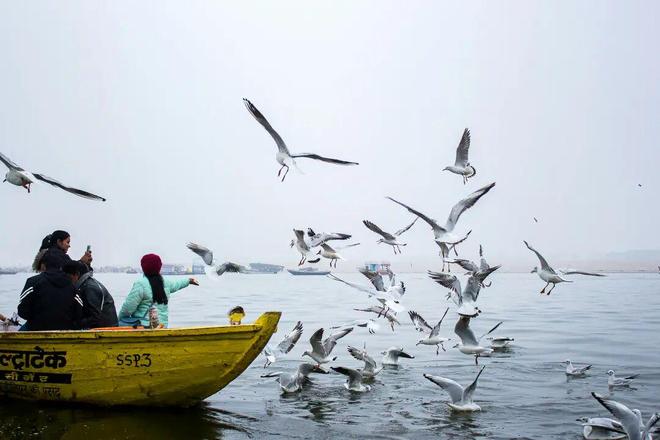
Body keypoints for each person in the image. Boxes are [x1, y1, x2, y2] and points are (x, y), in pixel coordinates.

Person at [118, 254, 199, 328]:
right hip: (162, 326)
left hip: (143, 326)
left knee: (122, 322)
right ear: (159, 267)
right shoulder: (166, 282)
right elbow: (177, 284)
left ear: (143, 267)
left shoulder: (140, 284)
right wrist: (188, 280)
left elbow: (128, 308)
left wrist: (118, 319)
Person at [17, 253, 84, 331]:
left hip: (36, 330)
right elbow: (79, 314)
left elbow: (22, 311)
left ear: (43, 265)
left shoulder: (33, 282)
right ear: (61, 266)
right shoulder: (72, 286)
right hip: (64, 332)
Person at [63, 261, 118, 329]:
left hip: (107, 329)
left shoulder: (89, 288)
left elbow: (95, 318)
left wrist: (74, 324)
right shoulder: (84, 285)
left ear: (77, 274)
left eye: (68, 277)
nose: (67, 281)